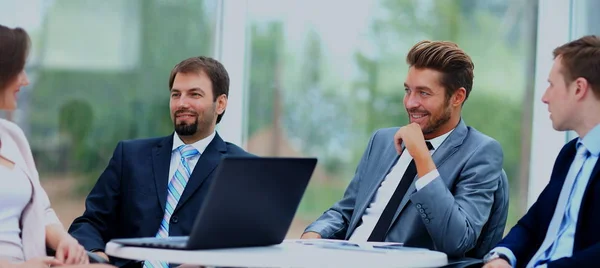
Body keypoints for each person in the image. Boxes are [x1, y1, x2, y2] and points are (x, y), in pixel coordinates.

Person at [301, 40, 508, 258]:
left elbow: (456, 240)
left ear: (457, 97)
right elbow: (347, 211)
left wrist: (422, 157)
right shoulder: (382, 141)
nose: (410, 103)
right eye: (408, 90)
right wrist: (315, 234)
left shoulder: (480, 152)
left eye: (423, 93)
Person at [68, 56, 252, 267]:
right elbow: (89, 223)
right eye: (176, 94)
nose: (182, 103)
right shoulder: (129, 156)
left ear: (220, 103)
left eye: (194, 94)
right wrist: (98, 258)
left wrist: (204, 264)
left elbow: (249, 245)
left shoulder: (242, 168)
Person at [0, 24, 113, 268]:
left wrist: (65, 241)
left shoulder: (12, 137)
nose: (25, 80)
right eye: (18, 70)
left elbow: (41, 208)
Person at [483, 35, 600, 268]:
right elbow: (533, 223)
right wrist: (502, 257)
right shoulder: (570, 154)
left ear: (579, 88)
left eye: (551, 85)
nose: (545, 98)